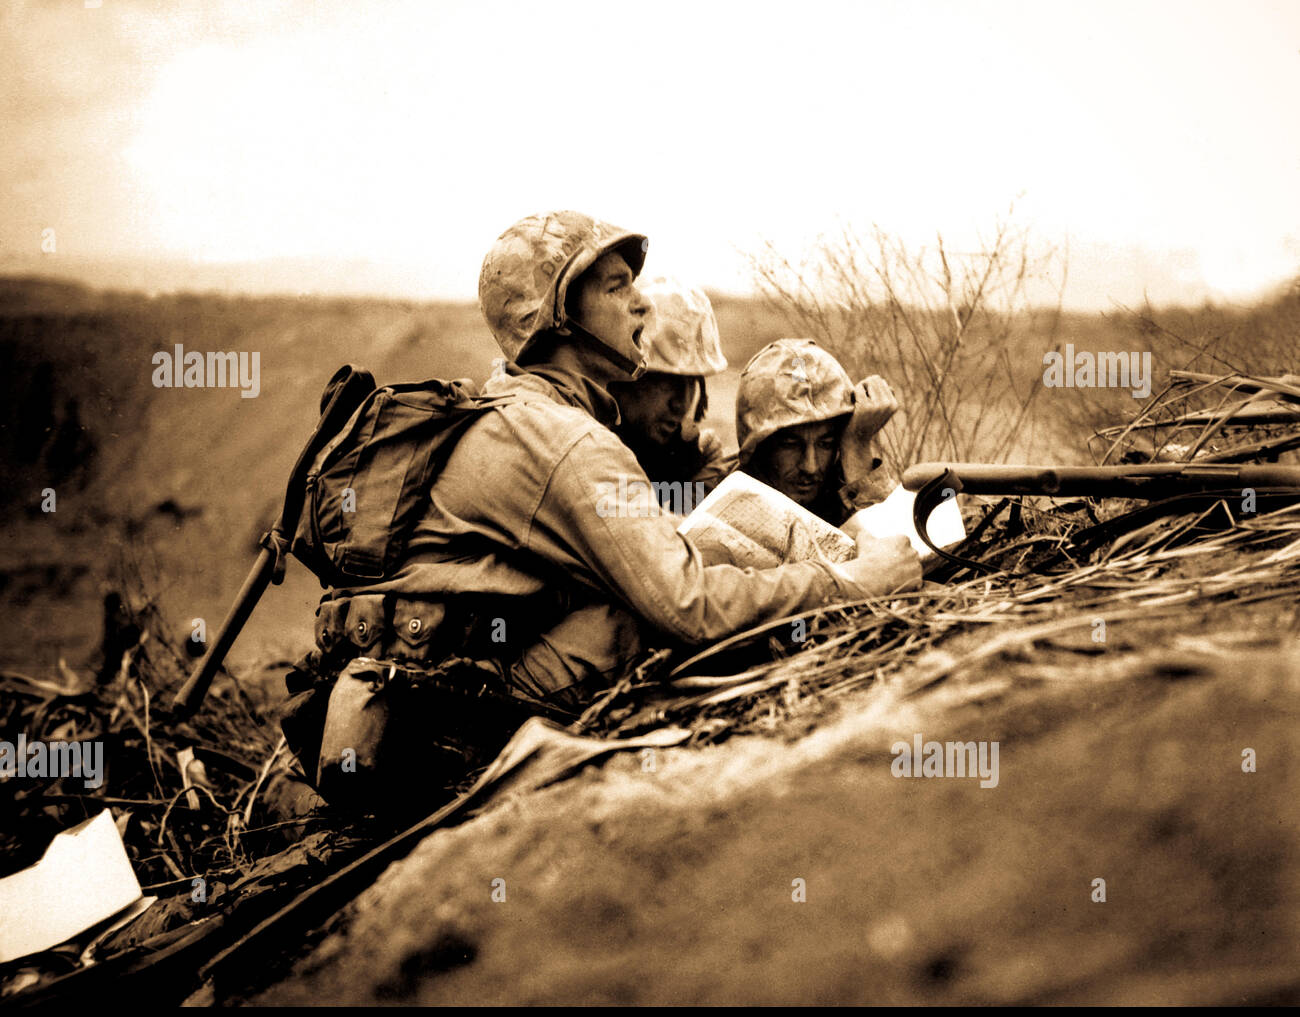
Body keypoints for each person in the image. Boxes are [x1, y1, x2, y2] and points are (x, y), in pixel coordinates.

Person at [301, 212, 921, 811]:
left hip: (428, 701)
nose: (642, 305)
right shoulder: (568, 441)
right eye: (616, 287)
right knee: (638, 615)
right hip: (453, 731)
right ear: (559, 317)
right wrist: (847, 583)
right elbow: (688, 608)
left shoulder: (512, 411)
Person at [736, 338, 900, 526]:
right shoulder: (709, 490)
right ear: (758, 446)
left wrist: (857, 445)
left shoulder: (843, 496)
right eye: (790, 445)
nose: (810, 467)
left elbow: (895, 546)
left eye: (826, 444)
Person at [607, 276, 732, 513]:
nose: (681, 403)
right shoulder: (587, 448)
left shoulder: (693, 455)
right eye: (665, 382)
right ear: (622, 376)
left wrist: (698, 474)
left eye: (692, 382)